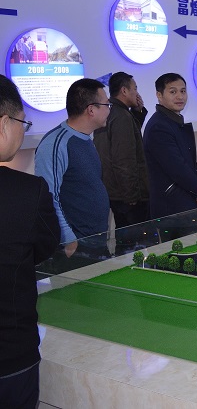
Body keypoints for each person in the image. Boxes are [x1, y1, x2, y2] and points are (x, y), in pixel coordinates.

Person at [0, 75, 60, 409]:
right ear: (4, 123)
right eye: (22, 122)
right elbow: (44, 247)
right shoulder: (27, 191)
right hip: (11, 356)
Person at [35, 78, 111, 257]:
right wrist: (68, 239)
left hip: (95, 240)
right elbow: (48, 196)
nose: (109, 110)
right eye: (107, 105)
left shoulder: (86, 138)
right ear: (91, 110)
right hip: (75, 247)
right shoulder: (56, 143)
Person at [143, 73, 197, 240]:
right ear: (159, 95)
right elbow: (177, 168)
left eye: (183, 91)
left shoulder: (174, 122)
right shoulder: (159, 126)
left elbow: (189, 162)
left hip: (183, 206)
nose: (180, 96)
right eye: (173, 92)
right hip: (171, 209)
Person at [93, 72, 150, 253]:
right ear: (124, 91)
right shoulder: (122, 116)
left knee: (125, 242)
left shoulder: (111, 113)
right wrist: (132, 196)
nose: (137, 93)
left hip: (115, 191)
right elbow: (124, 160)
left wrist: (138, 112)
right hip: (127, 196)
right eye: (135, 89)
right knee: (133, 246)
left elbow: (127, 139)